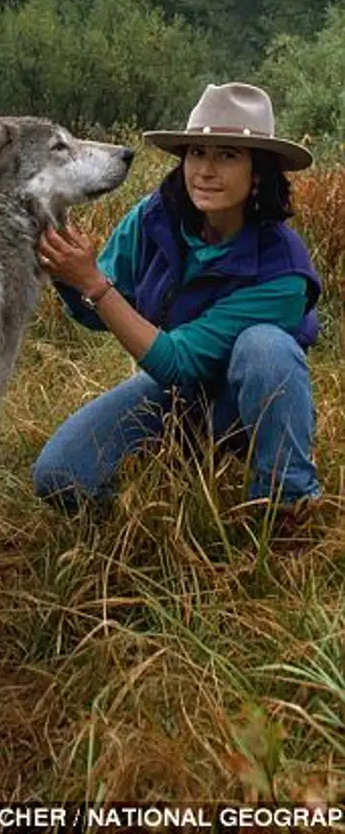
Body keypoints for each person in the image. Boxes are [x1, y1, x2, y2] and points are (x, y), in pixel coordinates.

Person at [33, 82, 324, 528]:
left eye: (227, 155)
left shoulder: (283, 271)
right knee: (60, 475)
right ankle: (152, 523)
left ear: (259, 172)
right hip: (173, 398)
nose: (205, 171)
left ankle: (285, 505)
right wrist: (67, 273)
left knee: (266, 347)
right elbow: (100, 310)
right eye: (196, 153)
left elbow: (178, 361)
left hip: (249, 404)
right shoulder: (155, 219)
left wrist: (93, 283)